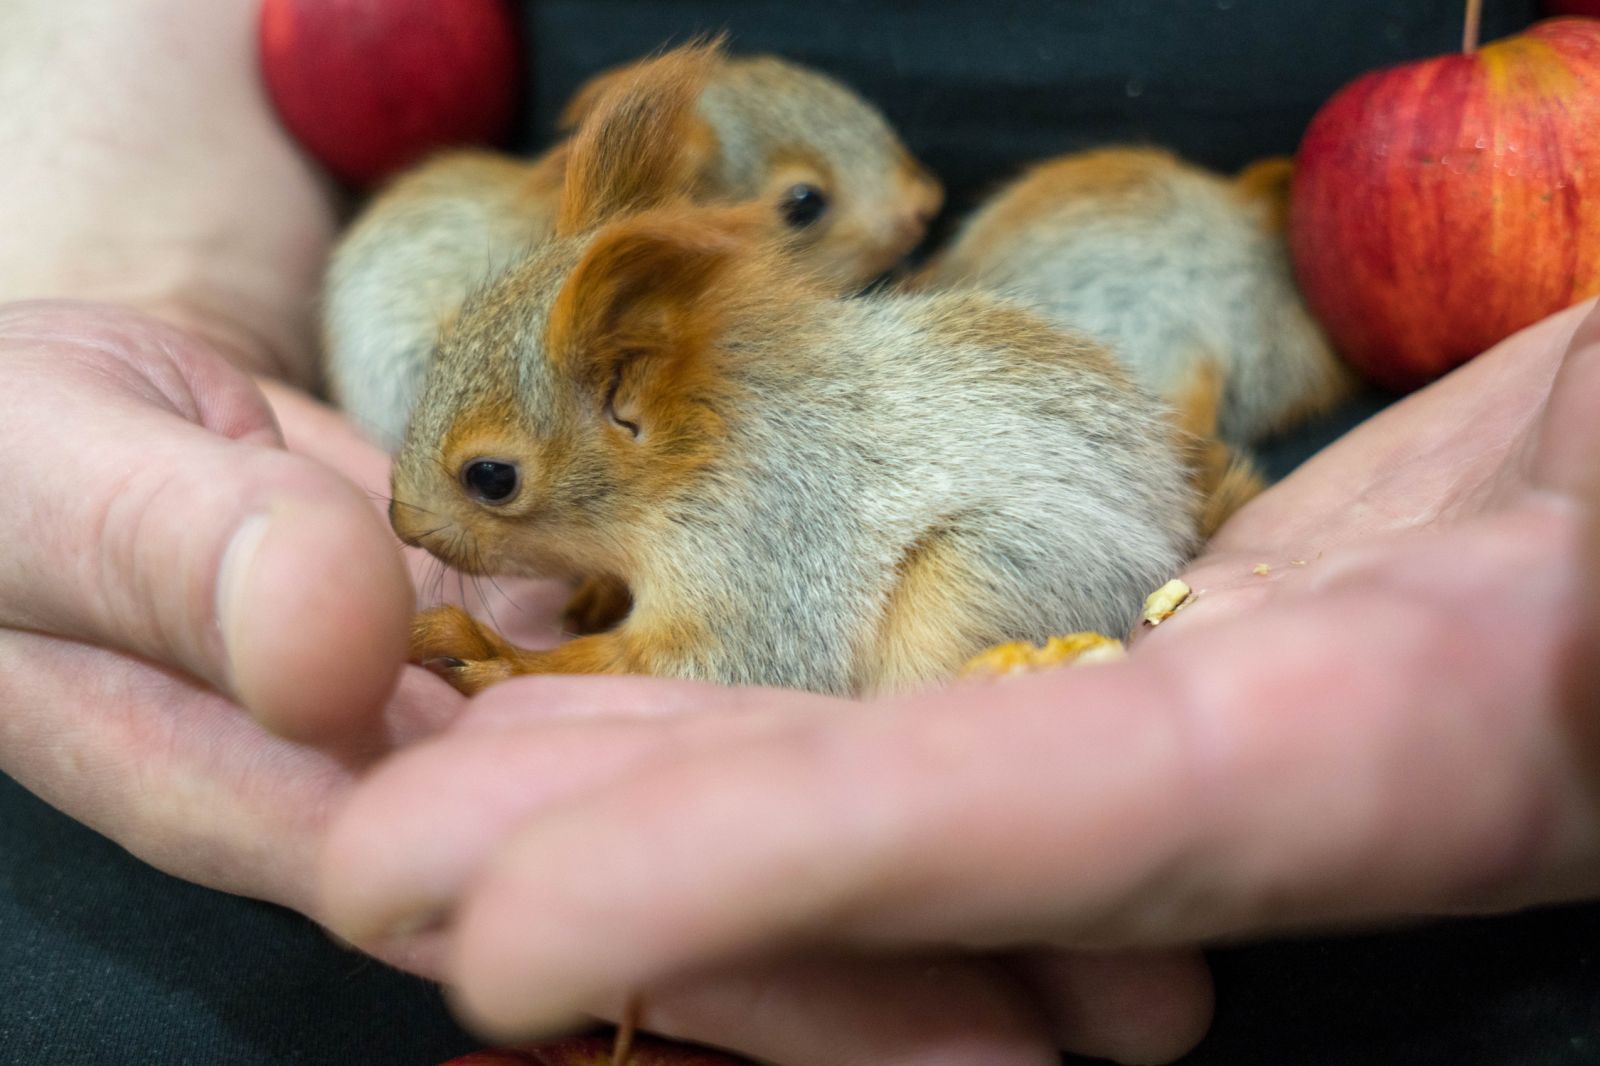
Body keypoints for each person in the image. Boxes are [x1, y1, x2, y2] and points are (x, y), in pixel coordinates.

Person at [2, 0, 1591, 1064]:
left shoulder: (723, 485)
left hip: (1178, 516)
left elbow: (741, 645)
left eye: (486, 485)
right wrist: (134, 258)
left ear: (634, 402)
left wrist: (513, 660)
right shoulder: (660, 449)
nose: (427, 523)